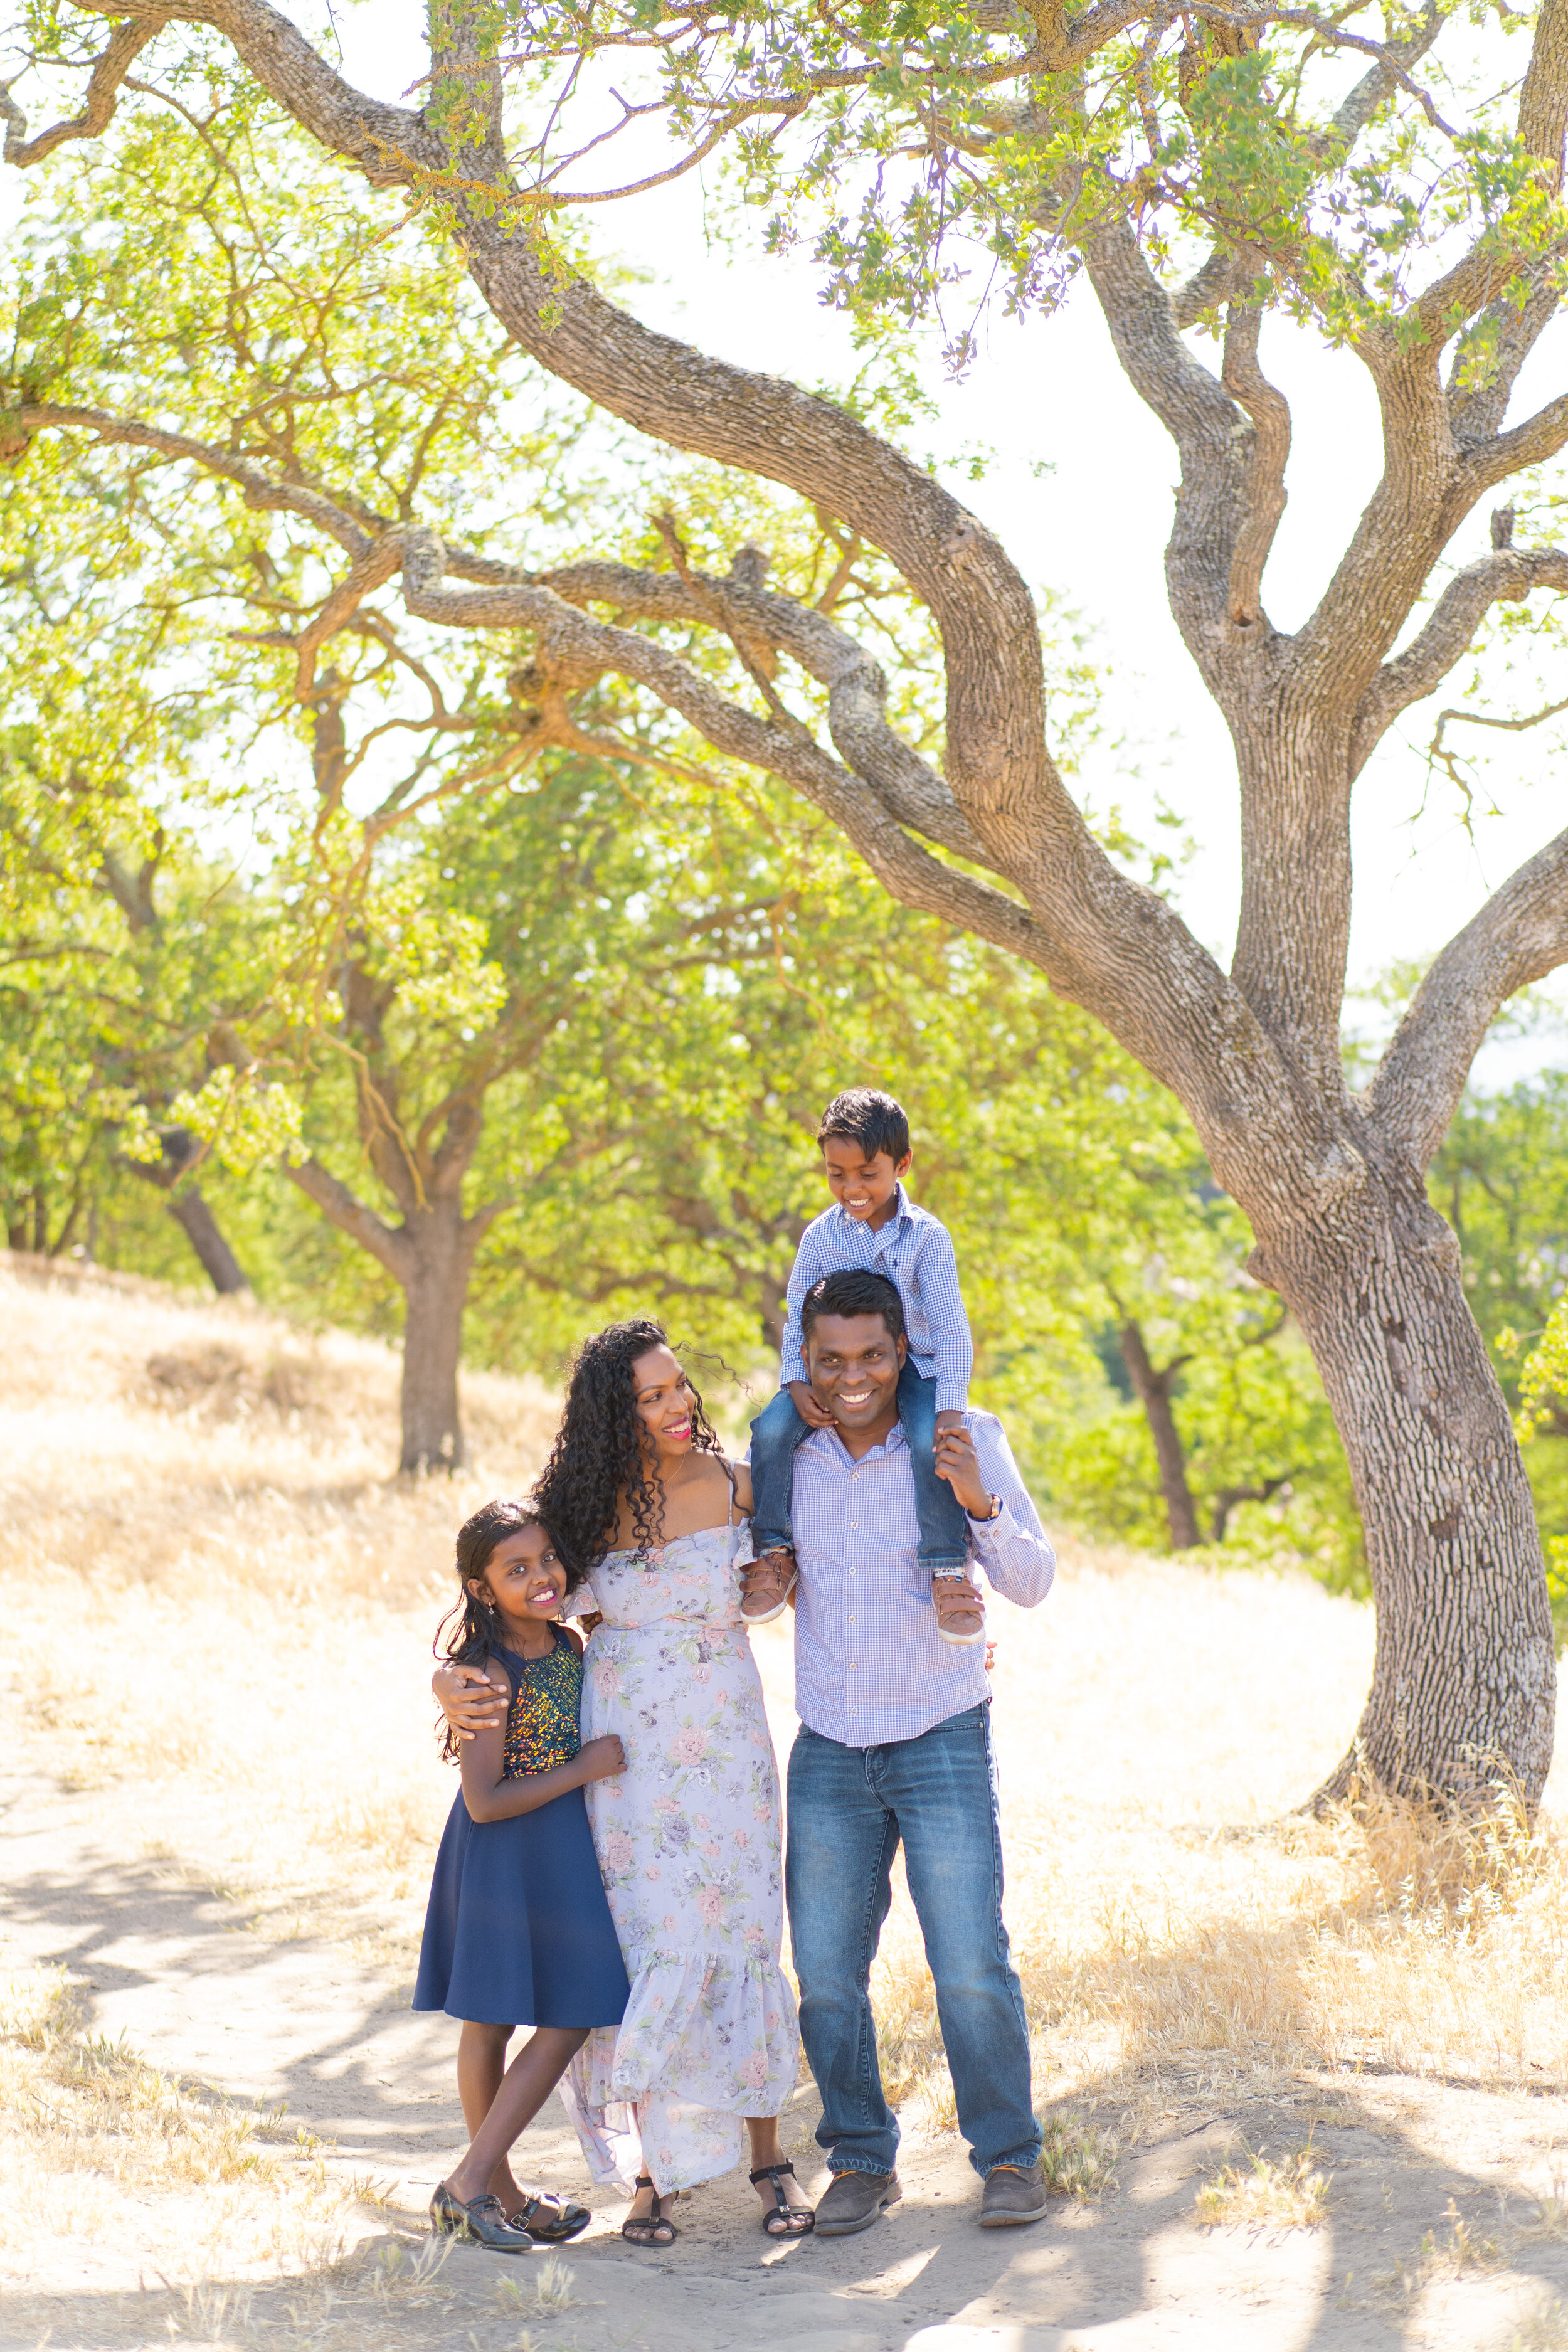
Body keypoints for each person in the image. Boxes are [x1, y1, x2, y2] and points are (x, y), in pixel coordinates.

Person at [434, 1323, 812, 2249]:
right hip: (625, 1754)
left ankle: (769, 2157)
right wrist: (449, 1682)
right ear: (614, 1410)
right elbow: (506, 1584)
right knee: (650, 1946)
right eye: (651, 1395)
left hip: (726, 1739)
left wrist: (777, 1579)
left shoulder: (737, 1484)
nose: (677, 1405)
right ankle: (657, 2173)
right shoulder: (580, 1507)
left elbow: (769, 1592)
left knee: (741, 1934)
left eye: (679, 1386)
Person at [758, 1265, 1056, 2237]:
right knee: (829, 1973)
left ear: (903, 1353)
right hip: (831, 1745)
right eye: (832, 1357)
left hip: (939, 1731)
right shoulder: (786, 1456)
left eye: (873, 1355)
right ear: (807, 1357)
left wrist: (976, 1504)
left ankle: (1009, 2156)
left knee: (969, 1958)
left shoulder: (963, 1436)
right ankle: (860, 2157)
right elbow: (752, 1586)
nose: (854, 1375)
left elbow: (1033, 1578)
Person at [415, 1498, 632, 2254]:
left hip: (560, 1847)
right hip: (503, 1849)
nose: (540, 1577)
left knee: (571, 2010)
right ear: (481, 1589)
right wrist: (582, 1769)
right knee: (493, 2019)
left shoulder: (570, 1644)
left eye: (546, 1561)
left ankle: (480, 2185)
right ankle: (485, 2186)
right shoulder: (485, 1673)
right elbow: (484, 1798)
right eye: (516, 1570)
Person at [745, 1088, 984, 1645]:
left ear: (901, 1165)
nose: (852, 1189)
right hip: (833, 1368)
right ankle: (775, 1551)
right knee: (773, 1430)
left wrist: (951, 1405)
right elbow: (796, 1312)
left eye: (867, 1174)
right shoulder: (821, 1236)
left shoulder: (926, 1237)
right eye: (837, 1175)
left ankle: (947, 1569)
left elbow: (951, 1327)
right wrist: (795, 1380)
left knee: (932, 1443)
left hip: (917, 1366)